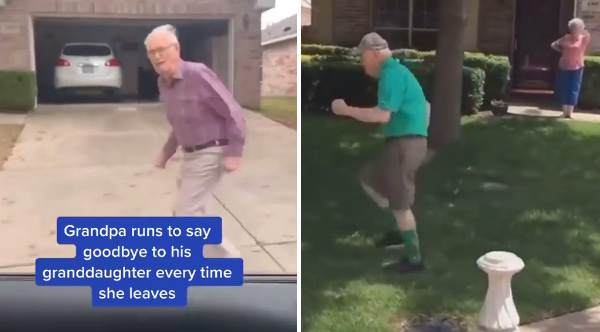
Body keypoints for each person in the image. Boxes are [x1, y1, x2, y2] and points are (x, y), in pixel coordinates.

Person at [330, 32, 429, 274]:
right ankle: (399, 228)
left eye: (362, 56)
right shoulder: (397, 71)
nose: (362, 62)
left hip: (404, 144)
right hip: (405, 142)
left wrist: (345, 110)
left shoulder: (392, 74)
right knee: (369, 178)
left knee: (400, 205)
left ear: (374, 53)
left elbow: (382, 115)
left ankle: (415, 260)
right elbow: (426, 106)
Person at [145, 24, 246, 258]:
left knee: (186, 213)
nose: (158, 56)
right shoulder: (163, 83)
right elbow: (178, 123)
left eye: (162, 49)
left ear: (176, 48)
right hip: (190, 155)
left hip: (212, 151)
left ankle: (228, 262)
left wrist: (235, 152)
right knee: (194, 212)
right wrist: (166, 152)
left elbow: (233, 112)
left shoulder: (197, 74)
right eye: (152, 52)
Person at [551, 18, 591, 118]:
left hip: (577, 66)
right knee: (565, 87)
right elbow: (553, 45)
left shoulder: (583, 38)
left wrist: (582, 29)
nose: (574, 29)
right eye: (573, 27)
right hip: (564, 65)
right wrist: (561, 50)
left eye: (576, 27)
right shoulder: (566, 38)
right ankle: (564, 112)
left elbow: (588, 35)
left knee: (574, 88)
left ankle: (570, 113)